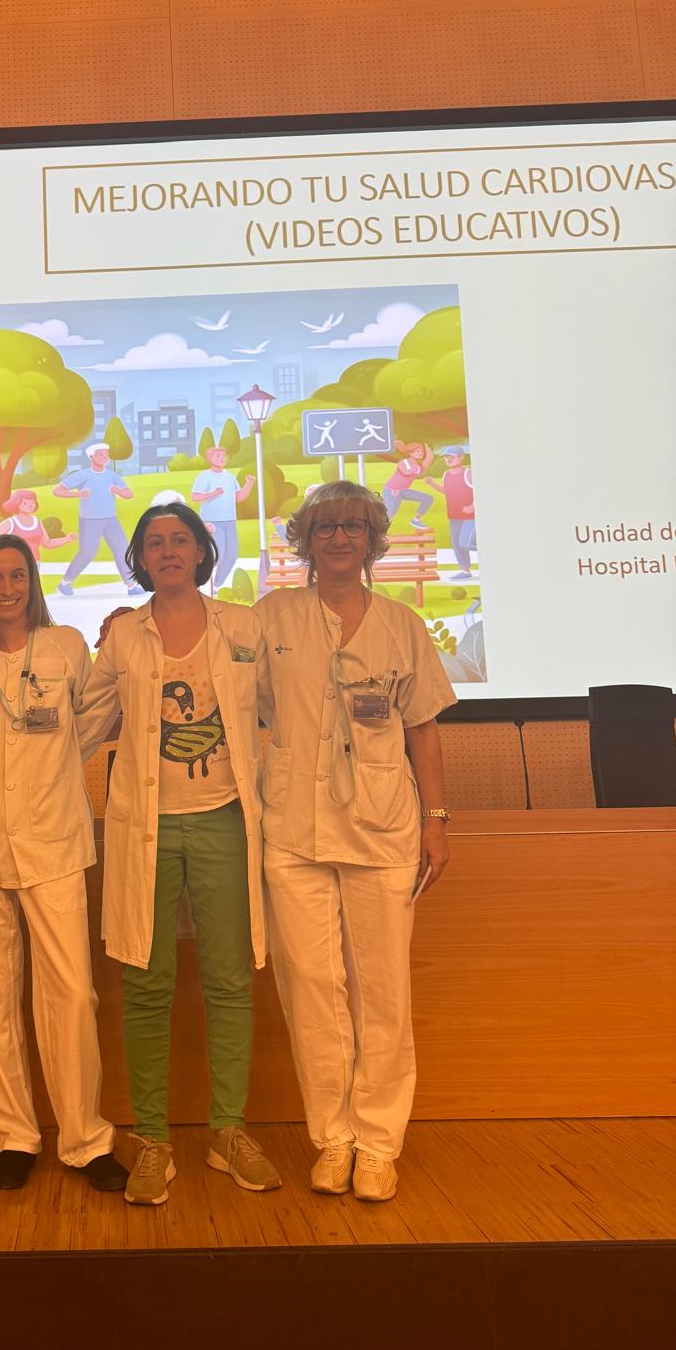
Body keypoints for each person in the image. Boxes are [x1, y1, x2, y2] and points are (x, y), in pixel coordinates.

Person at [255, 482, 455, 1203]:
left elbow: (422, 726)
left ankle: (377, 1143)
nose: (339, 538)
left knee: (383, 991)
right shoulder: (272, 616)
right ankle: (332, 1139)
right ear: (304, 541)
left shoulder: (402, 625)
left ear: (373, 540)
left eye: (353, 526)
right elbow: (220, 675)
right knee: (311, 989)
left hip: (383, 828)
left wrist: (437, 817)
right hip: (294, 830)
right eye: (325, 527)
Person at [77, 504, 281, 1206]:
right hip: (146, 827)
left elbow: (285, 711)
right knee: (145, 983)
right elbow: (85, 721)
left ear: (201, 551)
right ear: (139, 557)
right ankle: (153, 1139)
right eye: (154, 542)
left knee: (229, 980)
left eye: (180, 540)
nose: (168, 551)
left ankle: (228, 1131)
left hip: (225, 820)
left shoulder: (244, 626)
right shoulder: (123, 635)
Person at [0, 535, 126, 1193]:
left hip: (52, 839)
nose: (6, 588)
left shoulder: (67, 646)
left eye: (16, 575)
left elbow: (93, 720)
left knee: (71, 993)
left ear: (32, 581)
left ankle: (85, 1139)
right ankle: (15, 1137)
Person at [53, 442, 141, 596]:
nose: (105, 457)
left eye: (107, 455)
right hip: (90, 520)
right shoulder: (83, 475)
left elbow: (129, 494)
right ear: (91, 457)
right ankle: (65, 583)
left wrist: (118, 491)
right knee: (87, 553)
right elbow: (58, 491)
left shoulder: (112, 475)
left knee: (122, 550)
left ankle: (131, 585)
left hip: (111, 520)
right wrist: (78, 494)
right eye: (101, 454)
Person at [190, 445, 255, 589]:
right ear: (209, 458)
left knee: (231, 555)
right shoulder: (204, 476)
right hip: (212, 522)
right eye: (218, 456)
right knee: (218, 554)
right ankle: (199, 581)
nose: (222, 459)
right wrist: (213, 493)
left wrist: (249, 483)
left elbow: (239, 497)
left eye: (224, 456)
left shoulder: (229, 476)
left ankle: (217, 585)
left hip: (230, 521)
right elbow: (194, 496)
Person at [0, 488, 78, 565]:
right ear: (16, 504)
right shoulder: (11, 522)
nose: (29, 505)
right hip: (15, 563)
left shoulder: (37, 522)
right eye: (25, 503)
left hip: (35, 563)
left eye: (32, 502)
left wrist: (67, 539)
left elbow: (47, 543)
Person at [428, 445, 477, 578]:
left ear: (461, 458)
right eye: (446, 457)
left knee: (465, 543)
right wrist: (433, 484)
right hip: (454, 516)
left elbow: (480, 490)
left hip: (470, 517)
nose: (448, 460)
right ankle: (466, 571)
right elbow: (447, 491)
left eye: (452, 457)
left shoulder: (468, 473)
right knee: (457, 544)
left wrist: (472, 506)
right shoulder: (446, 475)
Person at [381, 440, 435, 530]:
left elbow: (428, 460)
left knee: (428, 498)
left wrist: (427, 447)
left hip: (403, 490)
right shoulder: (405, 462)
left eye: (422, 451)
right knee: (389, 514)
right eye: (417, 451)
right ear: (410, 452)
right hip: (392, 490)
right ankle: (375, 530)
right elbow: (407, 472)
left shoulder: (417, 466)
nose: (421, 453)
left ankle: (416, 520)